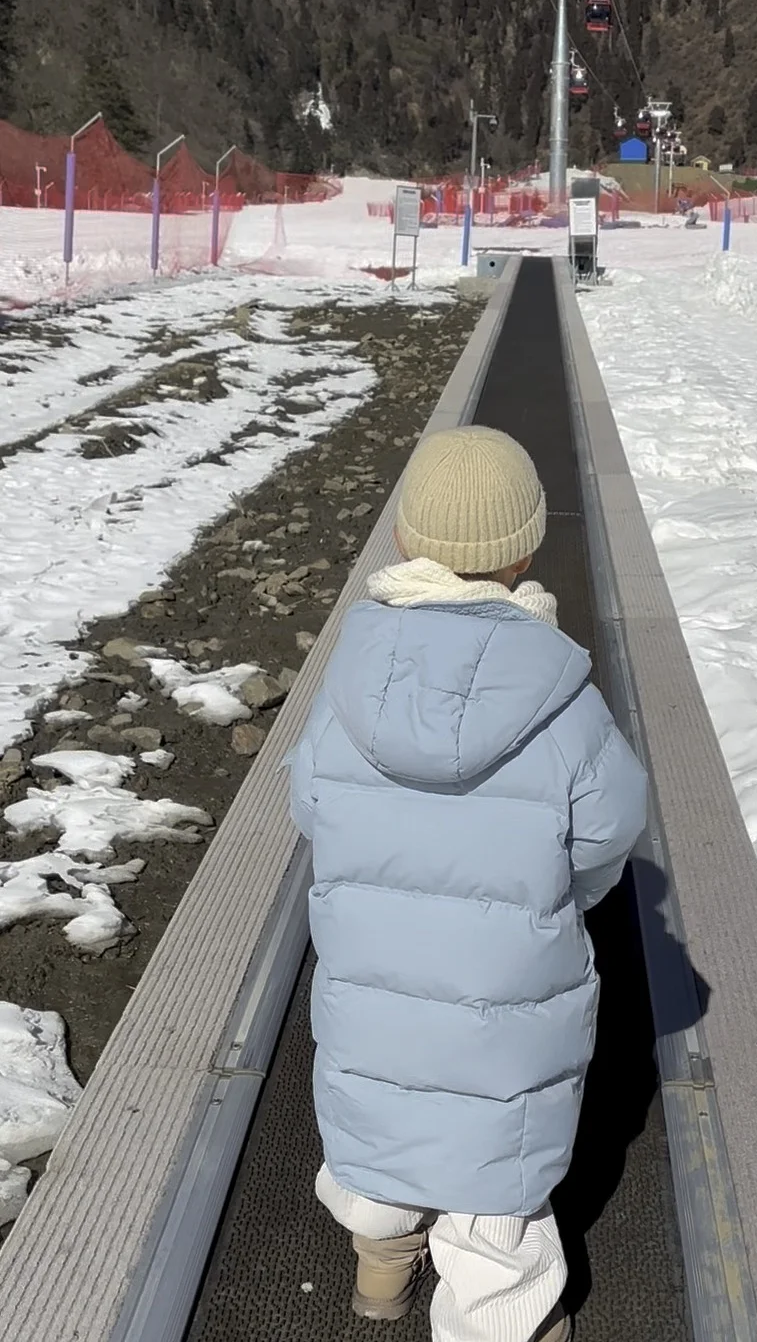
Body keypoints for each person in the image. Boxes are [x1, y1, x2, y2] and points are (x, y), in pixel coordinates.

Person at [286, 425, 648, 1342]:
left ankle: (381, 1267)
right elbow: (609, 830)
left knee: (379, 1145)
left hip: (374, 1005)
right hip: (502, 1025)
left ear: (405, 542)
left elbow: (311, 806)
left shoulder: (347, 689)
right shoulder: (564, 703)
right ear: (525, 548)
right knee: (496, 1202)